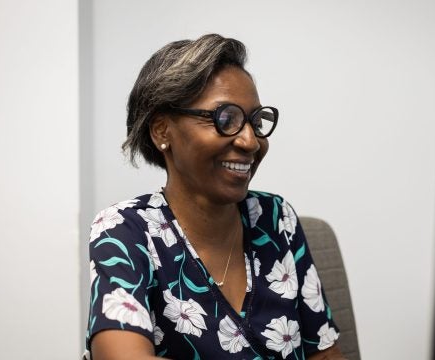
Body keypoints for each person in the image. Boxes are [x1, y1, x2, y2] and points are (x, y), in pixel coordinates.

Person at [84, 34, 344, 360]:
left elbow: (324, 353)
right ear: (162, 130)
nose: (250, 141)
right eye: (226, 119)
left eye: (255, 121)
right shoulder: (125, 230)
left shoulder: (276, 218)